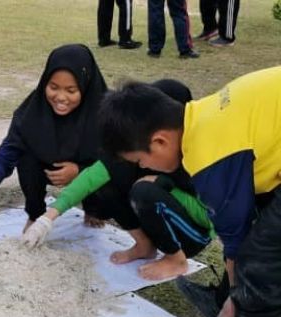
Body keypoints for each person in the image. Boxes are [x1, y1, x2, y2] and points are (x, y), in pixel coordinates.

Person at [97, 67, 281, 317]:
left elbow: (237, 244)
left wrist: (238, 301)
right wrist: (234, 298)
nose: (143, 168)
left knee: (259, 264)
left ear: (161, 141)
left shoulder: (209, 156)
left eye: (139, 160)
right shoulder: (206, 114)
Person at [23, 79, 215, 281]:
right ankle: (144, 246)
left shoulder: (200, 158)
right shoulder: (141, 145)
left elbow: (210, 217)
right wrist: (47, 219)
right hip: (161, 219)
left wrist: (163, 185)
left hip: (192, 234)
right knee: (110, 182)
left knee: (144, 191)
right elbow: (90, 177)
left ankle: (176, 259)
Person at [0, 44, 110, 234]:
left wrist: (79, 171)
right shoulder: (32, 111)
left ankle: (93, 208)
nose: (60, 97)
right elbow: (8, 151)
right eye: (53, 87)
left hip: (89, 169)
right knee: (26, 158)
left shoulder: (106, 113)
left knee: (109, 178)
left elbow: (116, 161)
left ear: (86, 86)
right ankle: (35, 213)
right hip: (48, 167)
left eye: (71, 90)